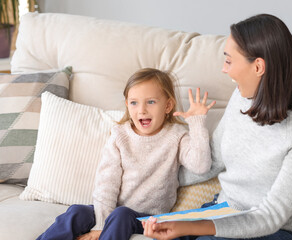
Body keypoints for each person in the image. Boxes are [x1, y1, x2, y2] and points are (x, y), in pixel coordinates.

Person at [143, 14, 292, 240]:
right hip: (225, 211)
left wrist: (192, 227)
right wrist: (152, 181)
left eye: (229, 61)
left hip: (282, 230)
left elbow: (271, 216)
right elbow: (212, 161)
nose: (224, 69)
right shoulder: (243, 96)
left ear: (258, 67)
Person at [36, 68, 216, 240]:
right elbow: (106, 184)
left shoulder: (176, 136)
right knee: (77, 212)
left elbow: (201, 166)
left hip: (148, 219)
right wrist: (100, 225)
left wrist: (197, 123)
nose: (142, 110)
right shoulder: (120, 136)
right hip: (114, 210)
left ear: (168, 105)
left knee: (121, 215)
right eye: (134, 102)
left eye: (151, 102)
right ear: (127, 105)